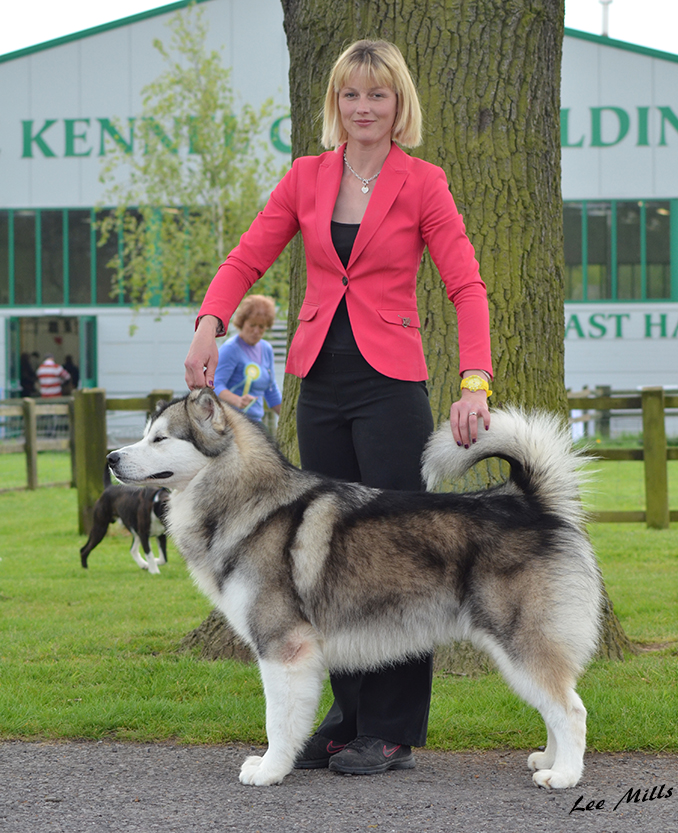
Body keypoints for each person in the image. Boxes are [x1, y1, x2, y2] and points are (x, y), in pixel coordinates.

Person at [184, 39, 493, 776]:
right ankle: (345, 716)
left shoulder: (424, 183)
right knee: (322, 558)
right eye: (351, 95)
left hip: (391, 387)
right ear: (336, 104)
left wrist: (475, 378)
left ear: (398, 105)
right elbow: (246, 257)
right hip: (317, 383)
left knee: (400, 555)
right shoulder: (306, 178)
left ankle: (391, 728)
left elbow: (467, 284)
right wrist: (208, 321)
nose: (364, 108)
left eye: (378, 96)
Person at [213, 294, 282, 422]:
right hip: (232, 422)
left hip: (256, 422)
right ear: (242, 322)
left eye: (261, 327)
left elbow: (271, 392)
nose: (256, 331)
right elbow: (215, 385)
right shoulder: (231, 349)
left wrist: (290, 418)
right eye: (252, 325)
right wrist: (237, 400)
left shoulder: (266, 349)